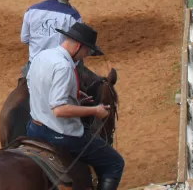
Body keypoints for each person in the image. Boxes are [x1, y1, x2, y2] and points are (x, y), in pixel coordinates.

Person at [26, 22, 124, 190]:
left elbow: (32, 85)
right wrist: (95, 110)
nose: (86, 56)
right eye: (87, 51)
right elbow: (59, 110)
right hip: (60, 134)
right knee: (114, 163)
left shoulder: (42, 56)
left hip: (34, 128)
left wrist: (74, 95)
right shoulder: (64, 67)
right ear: (79, 46)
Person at [20, 0, 84, 78]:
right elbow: (77, 46)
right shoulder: (73, 15)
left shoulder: (32, 10)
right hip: (60, 70)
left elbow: (24, 39)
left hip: (34, 68)